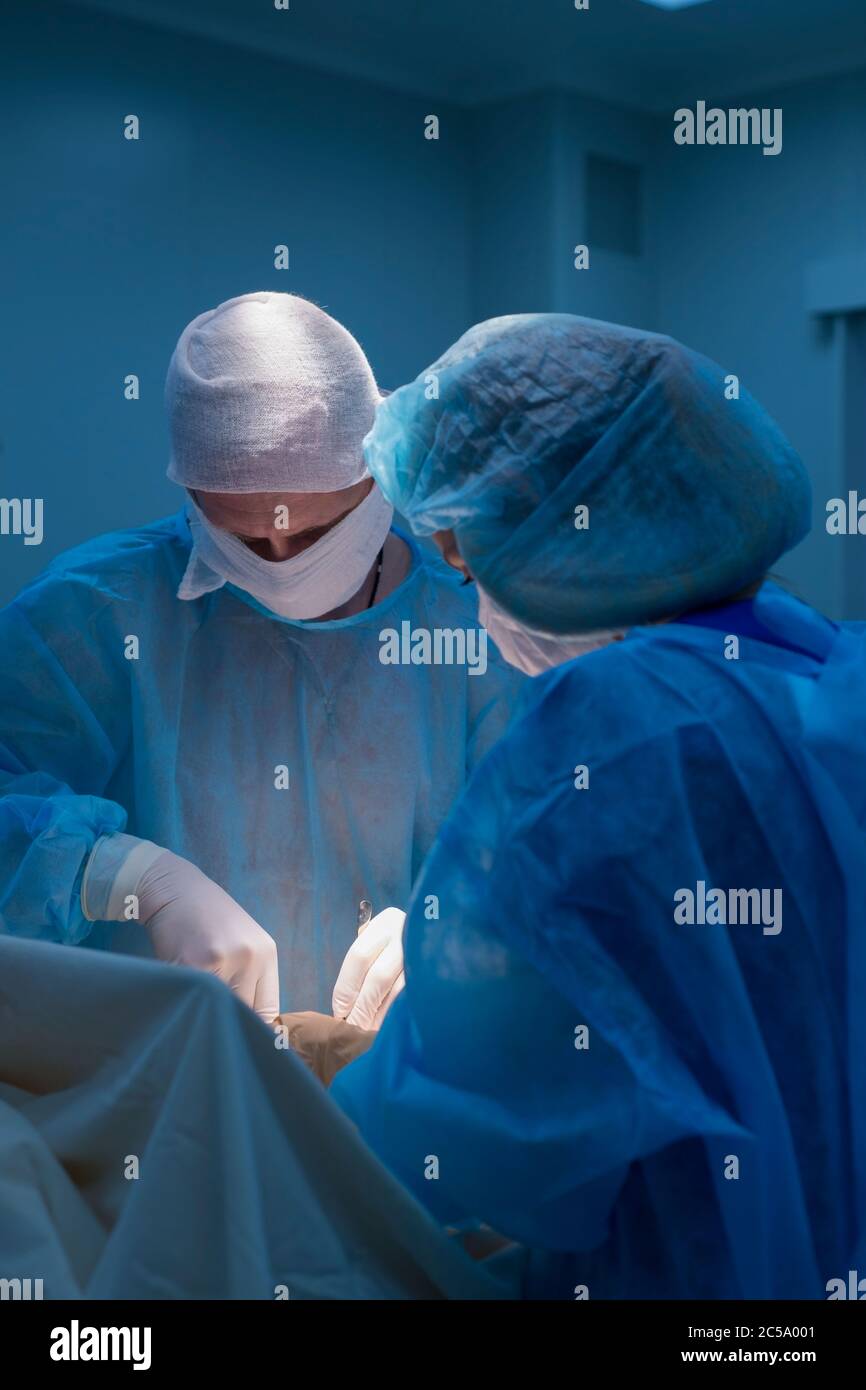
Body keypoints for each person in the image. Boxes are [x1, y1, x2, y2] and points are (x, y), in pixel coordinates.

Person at [332, 313, 866, 1299]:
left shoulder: (619, 723)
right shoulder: (831, 670)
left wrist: (379, 1056)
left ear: (559, 520)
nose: (473, 596)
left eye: (464, 557)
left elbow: (472, 1140)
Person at [0, 293, 521, 1022]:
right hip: (166, 1085)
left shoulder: (481, 634)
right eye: (243, 536)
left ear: (381, 475)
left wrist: (473, 924)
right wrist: (119, 873)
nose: (281, 562)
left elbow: (556, 857)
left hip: (406, 1094)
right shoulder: (96, 613)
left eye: (315, 534)